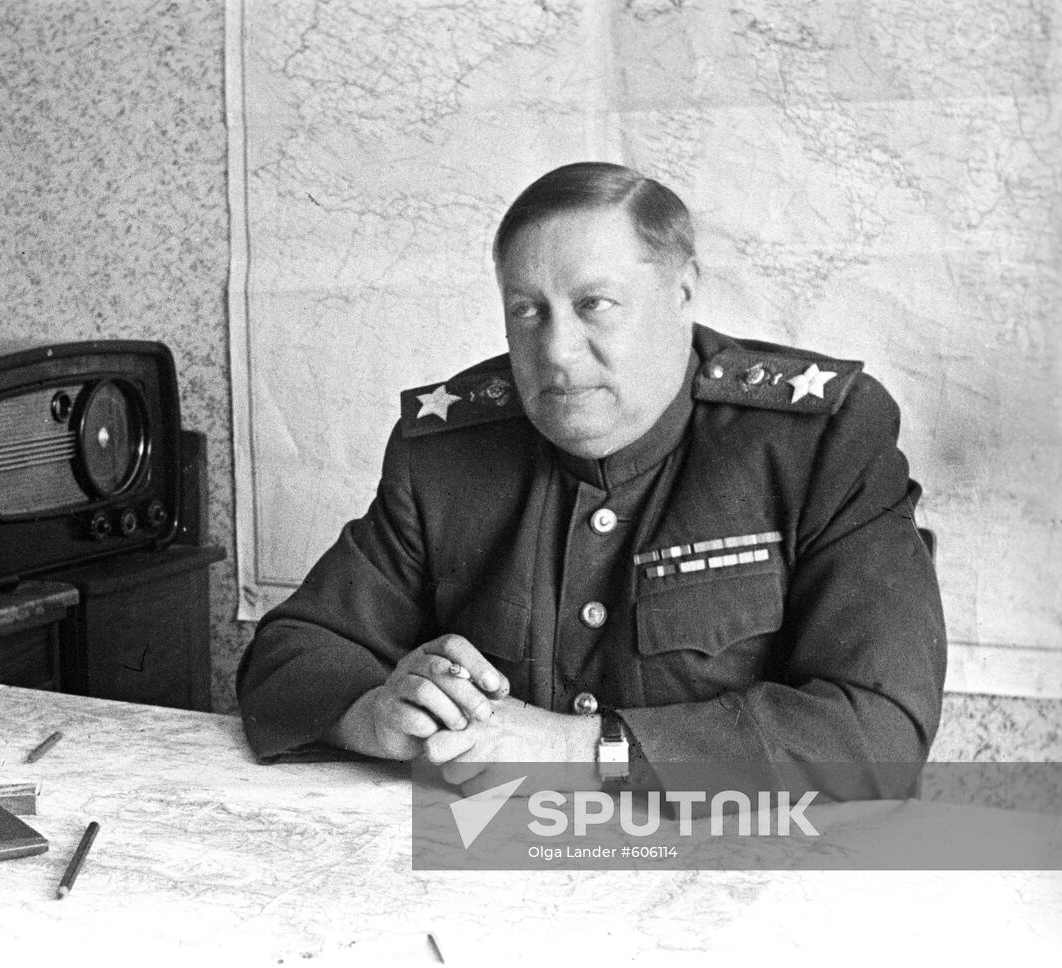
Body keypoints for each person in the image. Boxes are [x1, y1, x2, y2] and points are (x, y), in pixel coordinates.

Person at [235, 162, 946, 799]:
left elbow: (878, 730)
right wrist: (377, 714)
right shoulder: (447, 454)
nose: (556, 351)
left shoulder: (818, 439)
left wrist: (579, 750)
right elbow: (292, 652)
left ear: (682, 292)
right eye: (527, 310)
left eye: (594, 304)